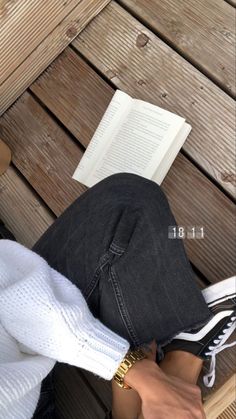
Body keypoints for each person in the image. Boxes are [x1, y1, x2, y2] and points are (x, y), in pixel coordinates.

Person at [0, 172, 235, 419]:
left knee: (128, 206)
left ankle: (158, 380)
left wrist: (130, 368)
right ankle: (175, 361)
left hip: (17, 356)